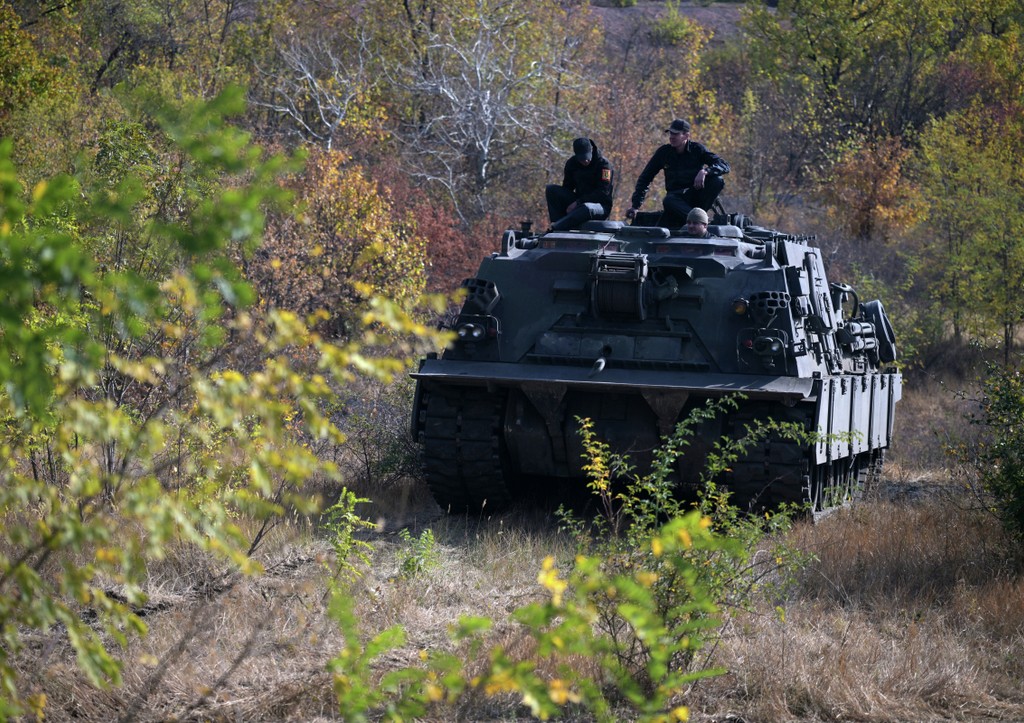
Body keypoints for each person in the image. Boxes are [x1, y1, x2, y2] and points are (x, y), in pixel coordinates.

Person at [626, 119, 729, 227]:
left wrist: (705, 171)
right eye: (670, 133)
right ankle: (696, 221)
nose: (671, 137)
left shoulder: (697, 150)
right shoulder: (664, 153)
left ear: (686, 135)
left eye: (676, 134)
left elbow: (724, 165)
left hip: (696, 197)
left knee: (717, 180)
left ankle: (699, 217)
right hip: (675, 201)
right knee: (669, 200)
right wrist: (635, 206)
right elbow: (645, 178)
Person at [545, 137, 614, 231]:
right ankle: (558, 221)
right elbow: (567, 188)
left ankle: (556, 228)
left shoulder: (604, 166)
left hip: (600, 206)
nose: (585, 161)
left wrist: (579, 202)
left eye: (587, 158)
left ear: (591, 151)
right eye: (582, 159)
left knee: (586, 207)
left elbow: (603, 193)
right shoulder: (572, 164)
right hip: (579, 202)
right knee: (551, 190)